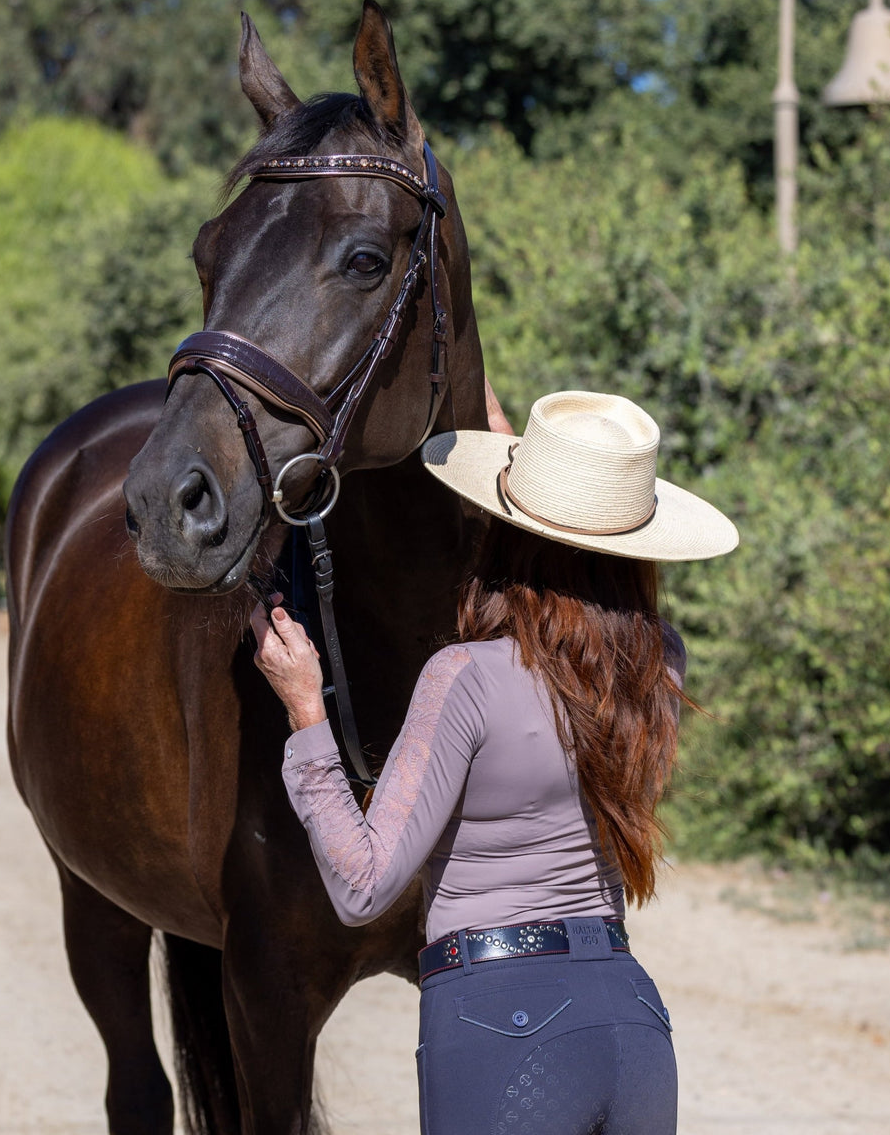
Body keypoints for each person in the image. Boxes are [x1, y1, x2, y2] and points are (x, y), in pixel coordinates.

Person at [251, 390, 738, 1135]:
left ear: (508, 532)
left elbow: (362, 885)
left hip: (503, 1023)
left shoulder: (466, 677)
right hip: (633, 1020)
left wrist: (306, 714)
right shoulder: (661, 667)